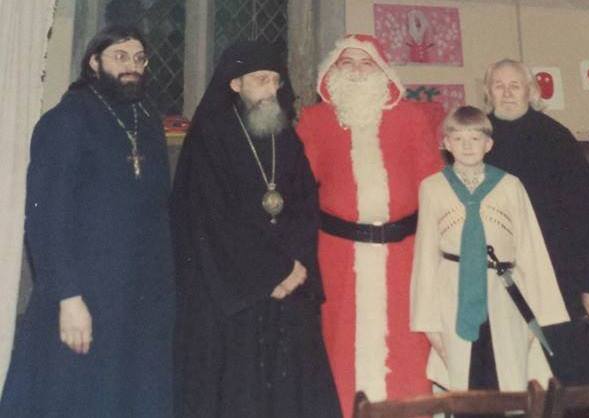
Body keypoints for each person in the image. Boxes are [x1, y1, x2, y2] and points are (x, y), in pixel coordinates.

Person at [0, 26, 175, 417]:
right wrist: (68, 297)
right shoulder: (66, 119)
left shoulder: (145, 118)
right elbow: (47, 219)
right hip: (84, 296)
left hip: (137, 298)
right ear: (94, 63)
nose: (131, 66)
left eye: (139, 58)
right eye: (120, 56)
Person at [170, 40, 341, 418]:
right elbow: (212, 219)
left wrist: (296, 265)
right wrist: (274, 271)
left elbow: (304, 205)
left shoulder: (284, 135)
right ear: (235, 84)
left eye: (276, 81)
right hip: (236, 294)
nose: (271, 89)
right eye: (261, 80)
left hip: (287, 289)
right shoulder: (210, 136)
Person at [483, 59, 589, 417]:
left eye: (515, 85)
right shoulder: (476, 141)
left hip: (566, 279)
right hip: (502, 281)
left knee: (584, 378)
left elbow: (588, 216)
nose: (507, 93)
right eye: (498, 86)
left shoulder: (554, 138)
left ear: (531, 91)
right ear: (487, 92)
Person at [296, 34, 443, 416]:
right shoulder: (315, 121)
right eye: (348, 63)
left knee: (408, 346)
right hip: (338, 257)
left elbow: (434, 185)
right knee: (341, 345)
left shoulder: (411, 117)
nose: (358, 71)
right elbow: (298, 189)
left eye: (366, 63)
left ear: (382, 71)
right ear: (333, 71)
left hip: (404, 256)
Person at [410, 106, 570, 407]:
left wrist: (539, 314)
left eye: (475, 138)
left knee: (507, 375)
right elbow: (425, 257)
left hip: (503, 295)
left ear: (489, 144)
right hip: (453, 294)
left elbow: (531, 249)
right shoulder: (432, 188)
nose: (467, 146)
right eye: (458, 138)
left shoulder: (510, 185)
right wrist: (428, 322)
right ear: (445, 144)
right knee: (463, 379)